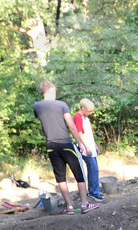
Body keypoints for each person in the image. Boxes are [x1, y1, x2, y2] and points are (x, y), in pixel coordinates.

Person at [33, 81, 98, 214]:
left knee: (60, 176)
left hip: (51, 145)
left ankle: (69, 207)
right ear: (51, 90)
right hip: (66, 144)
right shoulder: (61, 105)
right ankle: (84, 204)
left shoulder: (37, 106)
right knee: (79, 174)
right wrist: (79, 143)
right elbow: (71, 126)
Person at [73, 97, 104, 203]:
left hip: (91, 146)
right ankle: (93, 193)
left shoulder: (86, 118)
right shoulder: (78, 117)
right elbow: (80, 134)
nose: (90, 113)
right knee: (93, 169)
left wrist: (95, 146)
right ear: (82, 108)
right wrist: (86, 147)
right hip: (85, 148)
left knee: (94, 169)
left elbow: (89, 134)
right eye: (89, 111)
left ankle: (95, 191)